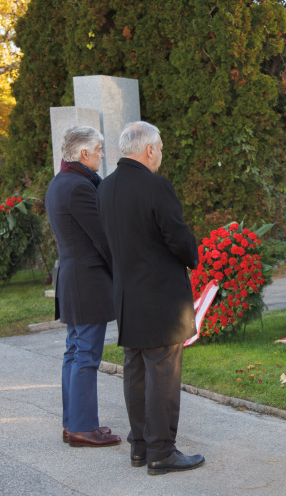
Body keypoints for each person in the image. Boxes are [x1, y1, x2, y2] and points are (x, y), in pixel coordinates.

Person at [97, 121, 203, 475]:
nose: (160, 154)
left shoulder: (105, 187)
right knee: (162, 373)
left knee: (135, 370)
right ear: (149, 150)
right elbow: (178, 237)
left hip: (126, 295)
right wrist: (193, 255)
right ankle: (162, 451)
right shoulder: (156, 186)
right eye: (159, 148)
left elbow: (105, 243)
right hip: (160, 299)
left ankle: (140, 446)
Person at [45, 125, 121, 448]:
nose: (103, 155)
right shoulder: (79, 187)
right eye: (99, 150)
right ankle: (83, 427)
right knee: (85, 354)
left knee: (74, 352)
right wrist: (122, 270)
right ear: (83, 153)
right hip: (87, 281)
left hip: (73, 278)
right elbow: (100, 237)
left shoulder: (59, 182)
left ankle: (72, 423)